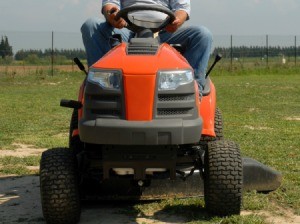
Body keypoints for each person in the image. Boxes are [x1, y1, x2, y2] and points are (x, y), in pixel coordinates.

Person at [81, 0, 212, 95]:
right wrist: (112, 15)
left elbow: (182, 8)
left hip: (164, 31)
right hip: (127, 30)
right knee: (91, 25)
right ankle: (97, 87)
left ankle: (194, 91)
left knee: (202, 34)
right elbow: (110, 4)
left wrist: (177, 20)